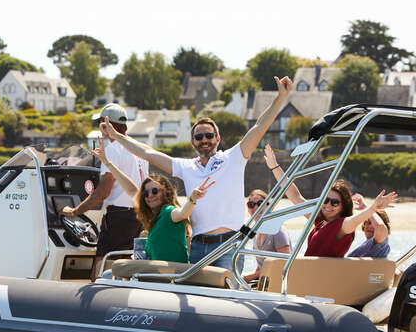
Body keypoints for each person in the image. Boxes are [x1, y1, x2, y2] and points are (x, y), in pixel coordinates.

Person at [99, 76, 293, 271]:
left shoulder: (233, 157)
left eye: (209, 135)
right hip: (199, 247)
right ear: (193, 142)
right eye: (199, 137)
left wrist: (280, 98)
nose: (204, 140)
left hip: (229, 246)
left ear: (218, 138)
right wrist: (117, 136)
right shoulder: (186, 167)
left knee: (225, 297)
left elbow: (259, 128)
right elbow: (148, 152)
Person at [60, 103, 149, 280]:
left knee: (102, 265)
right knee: (125, 264)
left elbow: (102, 192)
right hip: (139, 215)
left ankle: (96, 302)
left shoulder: (113, 151)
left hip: (118, 217)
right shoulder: (138, 148)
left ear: (106, 124)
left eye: (100, 124)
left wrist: (75, 211)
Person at [90, 136, 214, 263]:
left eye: (155, 191)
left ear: (165, 192)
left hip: (171, 275)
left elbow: (182, 213)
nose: (149, 195)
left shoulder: (168, 211)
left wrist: (192, 199)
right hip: (156, 275)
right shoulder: (153, 217)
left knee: (112, 270)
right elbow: (131, 190)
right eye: (146, 193)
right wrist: (107, 163)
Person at [263, 144, 397, 257]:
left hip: (320, 281)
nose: (328, 205)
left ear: (343, 207)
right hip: (306, 275)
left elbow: (356, 220)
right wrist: (274, 166)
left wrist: (373, 207)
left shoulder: (342, 226)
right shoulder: (320, 219)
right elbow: (294, 195)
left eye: (335, 202)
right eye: (325, 200)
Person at [242, 189, 291, 283]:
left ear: (269, 206)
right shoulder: (255, 233)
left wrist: (250, 277)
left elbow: (284, 262)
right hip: (266, 282)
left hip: (279, 283)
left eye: (260, 203)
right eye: (251, 204)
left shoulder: (277, 230)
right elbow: (261, 265)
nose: (256, 207)